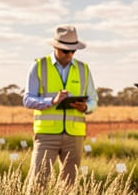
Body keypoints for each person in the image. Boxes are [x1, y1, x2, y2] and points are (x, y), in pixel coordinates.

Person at [23, 25, 98, 186]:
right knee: (38, 183)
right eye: (65, 51)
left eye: (73, 51)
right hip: (46, 134)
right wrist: (52, 101)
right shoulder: (39, 66)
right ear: (56, 47)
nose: (70, 54)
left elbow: (93, 100)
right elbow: (28, 99)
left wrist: (85, 107)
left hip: (75, 136)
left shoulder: (83, 69)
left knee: (69, 186)